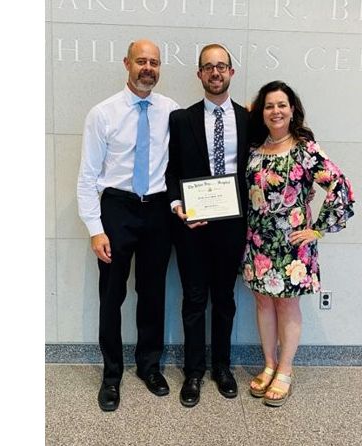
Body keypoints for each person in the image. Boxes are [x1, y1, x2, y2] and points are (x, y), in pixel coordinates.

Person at [77, 39, 179, 412]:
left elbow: (181, 165)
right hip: (116, 210)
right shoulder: (102, 114)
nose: (147, 67)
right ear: (126, 64)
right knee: (112, 295)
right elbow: (88, 177)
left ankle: (149, 366)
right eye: (141, 61)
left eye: (154, 62)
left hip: (157, 211)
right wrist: (95, 228)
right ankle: (111, 375)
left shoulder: (171, 111)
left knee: (153, 292)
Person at [242, 80, 355, 407]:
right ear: (261, 113)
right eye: (269, 106)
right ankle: (268, 364)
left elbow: (339, 186)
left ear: (292, 110)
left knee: (287, 305)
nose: (275, 111)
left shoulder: (306, 149)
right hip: (258, 241)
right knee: (263, 303)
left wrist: (317, 229)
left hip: (292, 244)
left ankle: (286, 370)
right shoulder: (254, 148)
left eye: (282, 105)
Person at [165, 44, 249, 407]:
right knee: (195, 299)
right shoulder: (181, 119)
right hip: (193, 226)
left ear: (232, 72)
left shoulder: (250, 119)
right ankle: (194, 372)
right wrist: (177, 205)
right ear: (199, 74)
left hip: (232, 224)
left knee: (226, 298)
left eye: (222, 66)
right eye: (208, 67)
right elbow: (170, 172)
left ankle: (222, 367)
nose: (215, 73)